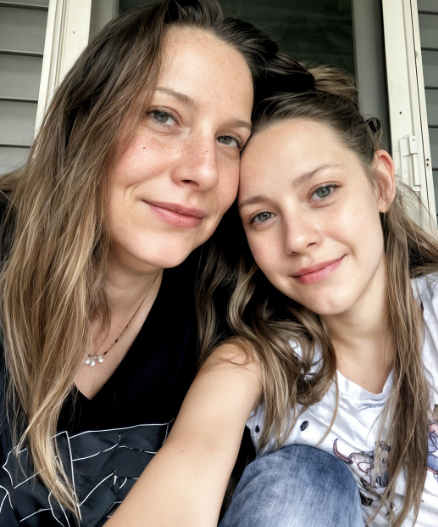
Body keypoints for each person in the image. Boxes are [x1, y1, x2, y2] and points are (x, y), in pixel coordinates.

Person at [0, 1, 313, 525]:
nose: (204, 171)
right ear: (85, 118)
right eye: (163, 116)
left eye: (228, 140)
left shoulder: (230, 296)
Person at [107, 66, 438, 527]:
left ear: (381, 183)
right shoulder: (253, 362)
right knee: (305, 481)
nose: (298, 239)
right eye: (262, 216)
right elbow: (190, 468)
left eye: (322, 191)